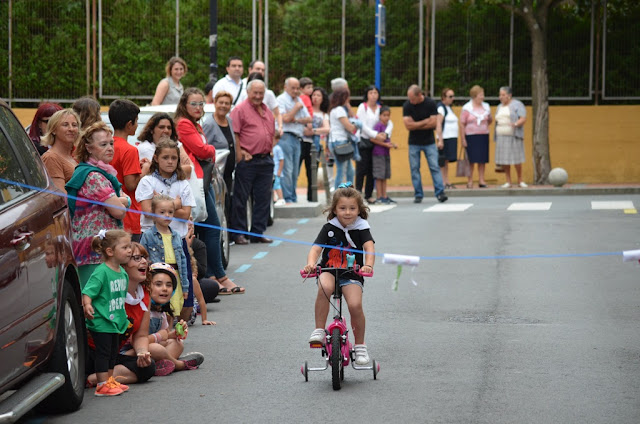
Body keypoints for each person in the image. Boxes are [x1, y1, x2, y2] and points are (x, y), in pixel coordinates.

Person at [175, 88, 244, 294]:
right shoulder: (184, 124)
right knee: (213, 228)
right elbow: (202, 150)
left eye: (200, 104)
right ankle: (219, 276)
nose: (198, 108)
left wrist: (208, 152)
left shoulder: (195, 124)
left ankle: (214, 276)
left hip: (204, 180)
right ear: (184, 105)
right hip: (195, 182)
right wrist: (212, 150)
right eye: (193, 104)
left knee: (208, 230)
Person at [303, 184, 375, 365]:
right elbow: (316, 248)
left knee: (355, 304)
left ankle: (360, 346)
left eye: (352, 208)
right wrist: (311, 263)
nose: (348, 212)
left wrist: (368, 265)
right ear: (334, 209)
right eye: (342, 208)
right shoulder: (329, 227)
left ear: (359, 210)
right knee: (325, 287)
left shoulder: (362, 228)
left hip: (352, 272)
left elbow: (369, 247)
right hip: (329, 269)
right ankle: (319, 330)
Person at [66, 121, 129, 287]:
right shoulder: (93, 176)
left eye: (111, 143)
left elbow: (117, 202)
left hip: (100, 249)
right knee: (97, 304)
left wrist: (120, 201)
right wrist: (125, 201)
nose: (110, 148)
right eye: (103, 144)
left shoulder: (103, 173)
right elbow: (119, 211)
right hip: (93, 251)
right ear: (88, 148)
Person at [85, 242, 155, 388]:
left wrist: (142, 353)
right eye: (136, 258)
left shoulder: (145, 294)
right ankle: (99, 378)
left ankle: (94, 379)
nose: (144, 262)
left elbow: (141, 335)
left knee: (148, 367)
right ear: (122, 265)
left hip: (111, 355)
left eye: (144, 257)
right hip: (91, 351)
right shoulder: (108, 289)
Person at [82, 229, 138, 396]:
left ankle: (109, 380)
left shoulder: (122, 273)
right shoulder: (101, 271)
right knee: (104, 352)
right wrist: (87, 305)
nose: (130, 250)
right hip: (101, 321)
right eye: (125, 247)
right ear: (110, 251)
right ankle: (101, 384)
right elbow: (88, 291)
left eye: (130, 247)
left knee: (113, 352)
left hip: (115, 321)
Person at [229, 80, 275, 245]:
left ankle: (257, 232)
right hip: (248, 160)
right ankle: (239, 234)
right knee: (241, 198)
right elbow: (235, 134)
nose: (258, 96)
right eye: (255, 92)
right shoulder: (240, 110)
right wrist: (240, 153)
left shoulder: (266, 110)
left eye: (260, 93)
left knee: (263, 198)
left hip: (265, 160)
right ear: (248, 92)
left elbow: (271, 132)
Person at [145, 262, 204, 376]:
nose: (164, 289)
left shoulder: (161, 312)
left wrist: (175, 333)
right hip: (137, 351)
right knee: (156, 348)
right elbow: (137, 341)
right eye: (158, 284)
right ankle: (178, 364)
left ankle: (161, 365)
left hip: (153, 348)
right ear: (147, 286)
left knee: (177, 343)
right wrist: (160, 336)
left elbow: (165, 335)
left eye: (168, 285)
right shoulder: (144, 311)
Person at [140, 194, 190, 317]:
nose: (167, 215)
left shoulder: (177, 236)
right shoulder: (148, 235)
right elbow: (142, 258)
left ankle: (170, 334)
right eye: (162, 212)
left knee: (173, 310)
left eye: (170, 212)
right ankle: (163, 333)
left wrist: (185, 287)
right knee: (160, 310)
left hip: (175, 278)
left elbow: (183, 262)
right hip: (157, 279)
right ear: (153, 213)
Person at [109, 99, 148, 242]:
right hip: (129, 217)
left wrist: (137, 166)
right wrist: (145, 170)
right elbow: (131, 184)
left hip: (111, 214)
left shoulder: (107, 145)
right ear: (129, 124)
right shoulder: (130, 150)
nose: (137, 125)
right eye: (136, 121)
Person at [402, 85, 447, 203]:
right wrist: (425, 121)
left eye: (412, 98)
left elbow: (433, 123)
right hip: (413, 142)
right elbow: (408, 126)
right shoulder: (407, 105)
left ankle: (440, 193)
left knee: (434, 167)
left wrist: (416, 124)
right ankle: (418, 194)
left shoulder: (430, 103)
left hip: (429, 142)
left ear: (419, 95)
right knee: (414, 168)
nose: (411, 101)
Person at [277, 77, 312, 203]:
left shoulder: (299, 100)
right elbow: (284, 118)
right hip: (286, 136)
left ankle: (292, 197)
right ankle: (287, 198)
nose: (296, 90)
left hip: (298, 138)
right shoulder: (281, 100)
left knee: (295, 170)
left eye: (298, 88)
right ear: (286, 87)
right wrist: (296, 109)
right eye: (293, 88)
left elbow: (309, 118)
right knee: (287, 169)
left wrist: (296, 120)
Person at [356, 85, 389, 203]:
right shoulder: (362, 107)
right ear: (367, 95)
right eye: (371, 93)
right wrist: (375, 135)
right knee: (361, 169)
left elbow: (386, 123)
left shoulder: (380, 108)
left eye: (375, 93)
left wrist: (384, 135)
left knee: (372, 170)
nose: (373, 95)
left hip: (376, 143)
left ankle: (368, 195)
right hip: (365, 141)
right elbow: (362, 126)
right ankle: (358, 194)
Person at [136, 112, 193, 177]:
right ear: (151, 130)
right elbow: (157, 172)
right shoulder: (145, 148)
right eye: (161, 127)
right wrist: (179, 168)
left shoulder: (177, 144)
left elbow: (190, 168)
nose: (166, 130)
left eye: (169, 128)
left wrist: (170, 170)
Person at [202, 90, 236, 194]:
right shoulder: (209, 124)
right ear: (215, 103)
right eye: (221, 102)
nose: (223, 106)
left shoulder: (229, 121)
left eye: (227, 103)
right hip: (216, 175)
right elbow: (204, 147)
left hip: (229, 172)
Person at [460, 85, 493, 189]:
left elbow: (490, 120)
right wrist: (463, 139)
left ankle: (481, 180)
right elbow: (462, 124)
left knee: (482, 159)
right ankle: (470, 181)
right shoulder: (467, 108)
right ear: (474, 96)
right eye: (481, 95)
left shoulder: (486, 106)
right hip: (471, 136)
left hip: (483, 135)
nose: (482, 97)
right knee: (471, 160)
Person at [495, 86, 528, 188]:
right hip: (501, 135)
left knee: (516, 158)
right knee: (505, 160)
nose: (501, 97)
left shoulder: (517, 105)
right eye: (500, 95)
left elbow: (523, 118)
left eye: (503, 95)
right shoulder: (499, 106)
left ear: (509, 95)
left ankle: (520, 180)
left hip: (514, 135)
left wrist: (515, 124)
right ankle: (508, 181)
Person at [41, 109, 80, 193]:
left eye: (74, 125)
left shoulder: (73, 156)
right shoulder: (51, 158)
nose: (71, 129)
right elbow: (61, 198)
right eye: (65, 125)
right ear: (54, 130)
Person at [328, 87, 358, 190]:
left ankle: (350, 192)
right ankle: (338, 195)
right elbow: (350, 127)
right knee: (341, 170)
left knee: (350, 170)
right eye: (347, 97)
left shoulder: (334, 110)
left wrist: (349, 108)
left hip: (336, 141)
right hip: (340, 142)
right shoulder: (339, 110)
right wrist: (357, 125)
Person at [371, 106, 398, 204]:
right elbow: (373, 139)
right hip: (378, 153)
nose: (386, 117)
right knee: (379, 176)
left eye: (388, 115)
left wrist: (392, 144)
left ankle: (384, 195)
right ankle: (379, 196)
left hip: (386, 153)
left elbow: (387, 140)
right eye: (384, 115)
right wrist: (385, 144)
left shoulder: (388, 127)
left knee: (385, 175)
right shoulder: (378, 126)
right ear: (380, 116)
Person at [435, 88, 459, 189]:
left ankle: (446, 180)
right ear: (443, 97)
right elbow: (438, 124)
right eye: (450, 96)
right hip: (445, 138)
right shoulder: (441, 108)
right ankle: (442, 181)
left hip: (451, 138)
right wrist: (440, 140)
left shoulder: (449, 108)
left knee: (447, 160)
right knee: (442, 160)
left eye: (453, 96)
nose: (452, 98)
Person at [273, 141, 285, 206]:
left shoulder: (277, 148)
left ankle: (281, 198)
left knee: (277, 185)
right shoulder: (271, 148)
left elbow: (281, 160)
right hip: (272, 171)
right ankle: (274, 198)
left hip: (276, 171)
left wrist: (279, 171)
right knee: (271, 186)